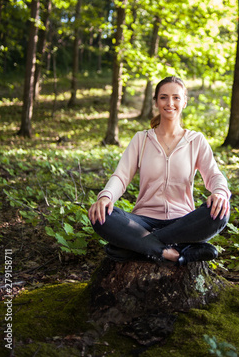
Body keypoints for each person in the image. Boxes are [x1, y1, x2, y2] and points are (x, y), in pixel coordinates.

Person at [88, 76, 230, 265]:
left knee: (221, 213)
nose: (170, 103)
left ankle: (132, 246)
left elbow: (214, 175)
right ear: (156, 102)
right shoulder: (142, 139)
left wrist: (220, 193)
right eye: (163, 97)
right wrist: (106, 197)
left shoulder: (196, 140)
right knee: (102, 216)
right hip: (142, 221)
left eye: (176, 98)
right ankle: (174, 252)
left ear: (184, 102)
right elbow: (121, 176)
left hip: (182, 222)